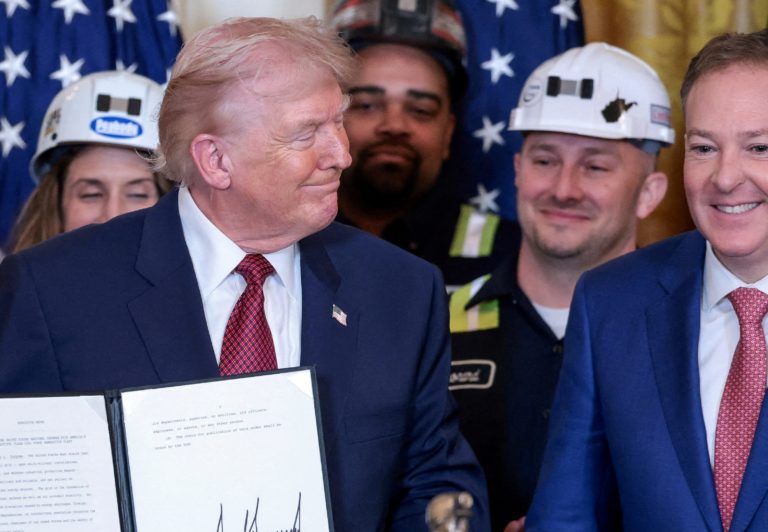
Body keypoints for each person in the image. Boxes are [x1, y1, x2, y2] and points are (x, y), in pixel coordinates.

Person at [0, 17, 490, 531]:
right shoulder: (50, 291)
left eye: (339, 122)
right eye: (307, 133)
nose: (341, 155)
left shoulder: (401, 289)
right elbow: (24, 494)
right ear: (215, 159)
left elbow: (439, 484)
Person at [525, 28, 768, 531]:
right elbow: (568, 513)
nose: (725, 177)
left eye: (759, 147)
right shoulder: (611, 301)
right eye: (704, 148)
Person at [448, 42, 674, 531]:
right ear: (517, 171)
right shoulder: (432, 325)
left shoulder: (690, 333)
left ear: (649, 194)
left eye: (595, 166)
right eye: (546, 160)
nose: (564, 188)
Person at [331, 0, 517, 291]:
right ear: (327, 118)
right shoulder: (278, 241)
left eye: (420, 110)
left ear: (448, 132)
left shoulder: (512, 258)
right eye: (367, 105)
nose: (394, 125)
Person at [8, 71, 170, 253]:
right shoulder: (14, 280)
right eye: (90, 194)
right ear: (55, 203)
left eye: (137, 194)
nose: (112, 215)